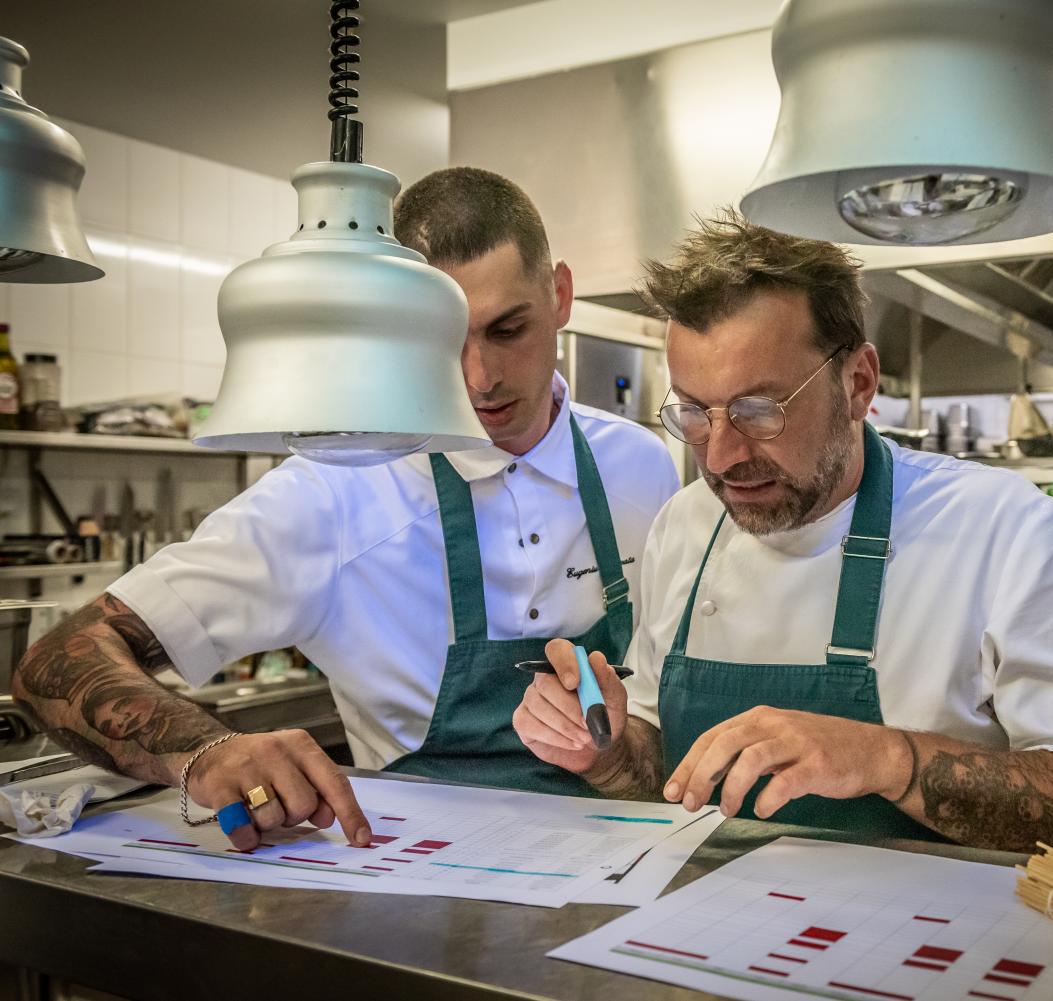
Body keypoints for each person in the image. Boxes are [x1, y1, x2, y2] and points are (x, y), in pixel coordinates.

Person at [12, 168, 679, 851]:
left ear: (560, 294)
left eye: (509, 329)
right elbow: (54, 663)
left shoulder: (642, 465)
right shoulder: (336, 490)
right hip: (422, 887)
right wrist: (206, 750)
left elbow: (660, 717)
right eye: (444, 340)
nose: (480, 378)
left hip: (622, 866)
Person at [513, 212, 1053, 864]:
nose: (720, 456)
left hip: (928, 950)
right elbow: (660, 769)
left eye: (758, 410)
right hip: (705, 935)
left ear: (857, 384)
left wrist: (888, 757)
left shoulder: (1008, 532)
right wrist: (604, 751)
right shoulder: (686, 525)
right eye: (694, 412)